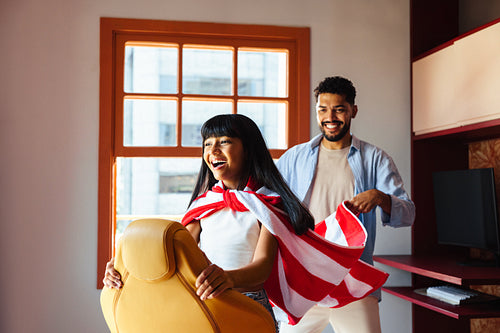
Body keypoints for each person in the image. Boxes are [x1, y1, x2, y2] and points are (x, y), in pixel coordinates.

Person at [103, 114, 389, 330]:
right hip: (202, 304)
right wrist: (123, 270)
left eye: (224, 142)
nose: (213, 149)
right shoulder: (203, 206)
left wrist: (228, 278)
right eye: (207, 143)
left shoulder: (269, 206)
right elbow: (175, 253)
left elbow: (262, 268)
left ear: (249, 149)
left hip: (248, 304)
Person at [276, 76, 416, 333]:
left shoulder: (375, 159)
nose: (330, 117)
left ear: (353, 110)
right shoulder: (293, 158)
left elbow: (408, 214)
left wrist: (380, 197)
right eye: (323, 109)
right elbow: (265, 200)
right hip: (305, 279)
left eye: (339, 109)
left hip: (353, 281)